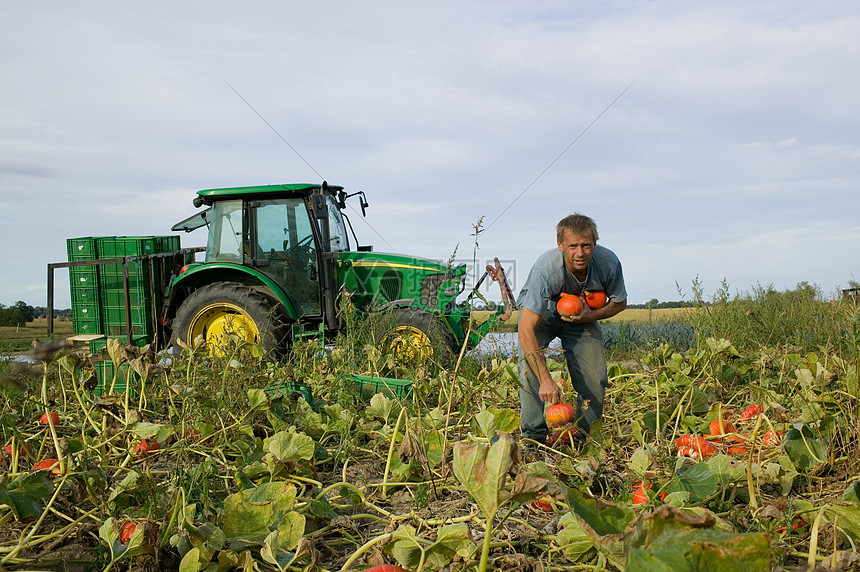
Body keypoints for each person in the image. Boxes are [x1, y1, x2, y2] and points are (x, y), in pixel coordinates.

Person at [517, 213, 627, 447]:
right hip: (543, 314)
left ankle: (584, 438)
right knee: (529, 367)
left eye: (586, 245)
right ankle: (533, 439)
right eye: (573, 246)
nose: (580, 253)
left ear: (594, 244)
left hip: (580, 315)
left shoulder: (608, 264)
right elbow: (526, 328)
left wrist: (590, 315)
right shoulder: (545, 270)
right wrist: (546, 379)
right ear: (560, 246)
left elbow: (619, 302)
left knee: (595, 377)